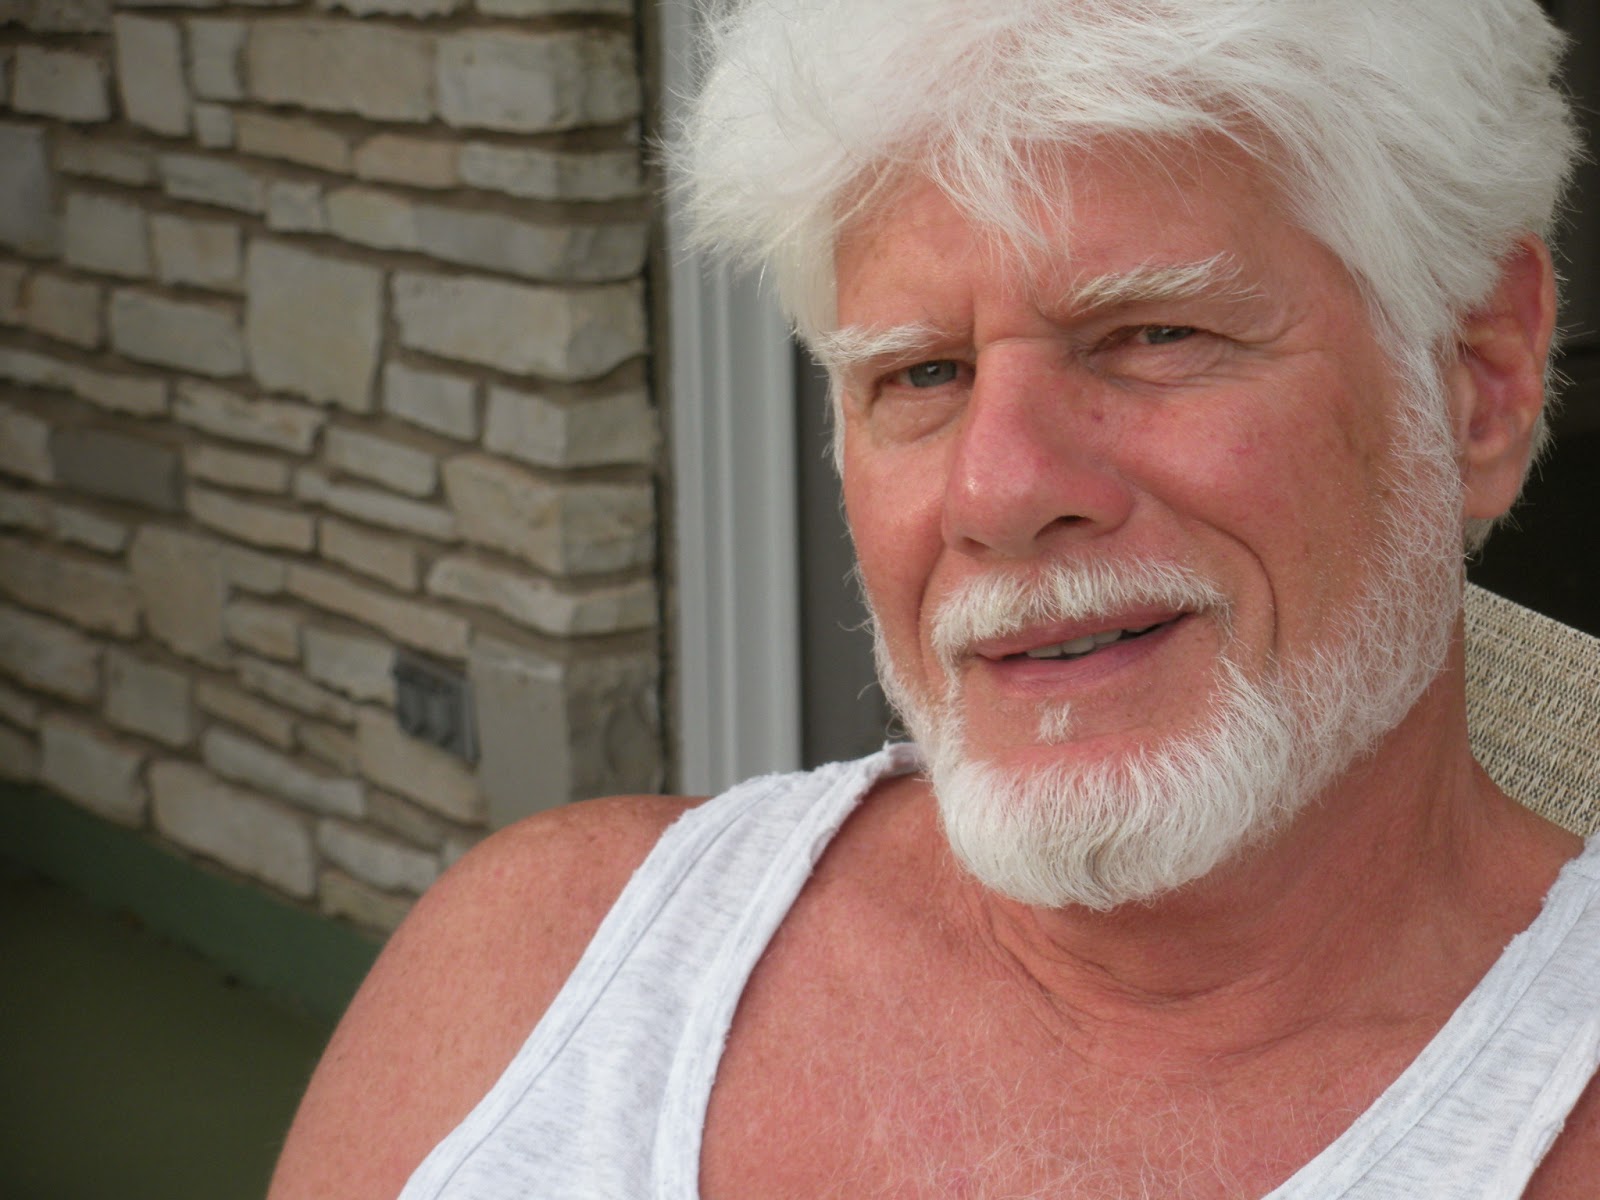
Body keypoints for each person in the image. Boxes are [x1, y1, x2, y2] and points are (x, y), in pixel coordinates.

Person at [270, 1, 1600, 1196]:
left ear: (1480, 378)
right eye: (921, 373)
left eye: (1154, 333)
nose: (997, 492)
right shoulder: (545, 956)